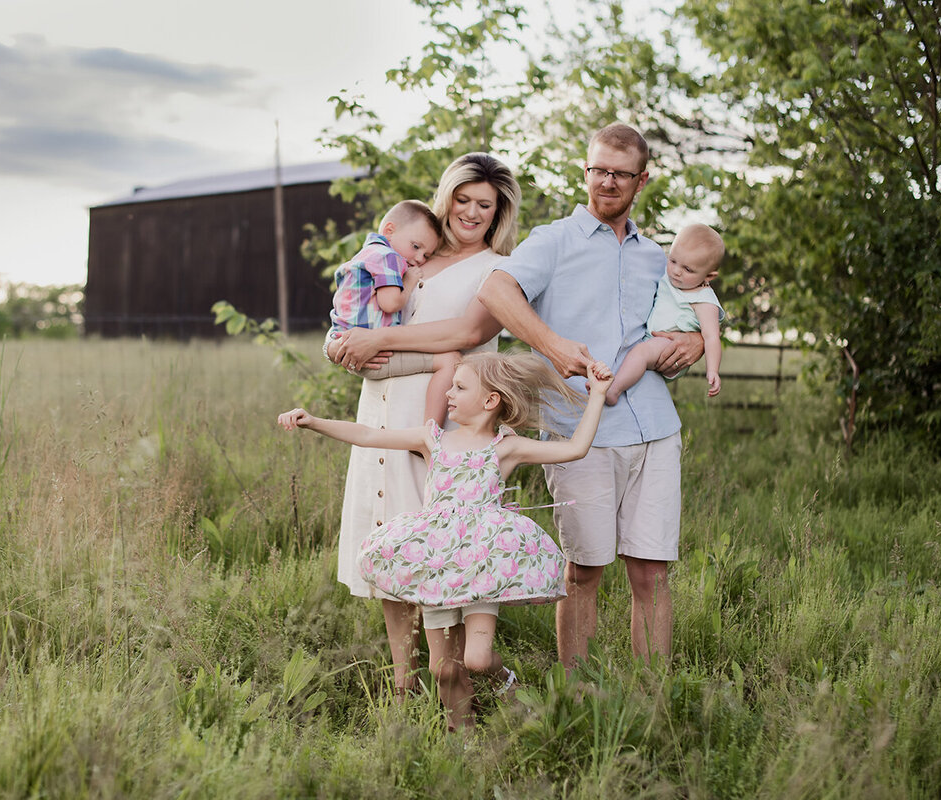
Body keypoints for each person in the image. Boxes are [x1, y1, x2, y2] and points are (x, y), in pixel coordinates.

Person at [277, 351, 615, 728]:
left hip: (482, 568)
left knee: (477, 659)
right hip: (434, 565)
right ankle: (463, 739)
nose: (448, 394)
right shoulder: (432, 439)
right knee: (444, 671)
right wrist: (313, 422)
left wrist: (598, 394)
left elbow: (574, 448)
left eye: (459, 387)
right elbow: (369, 435)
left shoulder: (505, 447)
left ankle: (511, 687)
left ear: (490, 401)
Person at [478, 123, 705, 669]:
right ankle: (577, 696)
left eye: (620, 173)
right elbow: (495, 289)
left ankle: (654, 700)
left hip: (655, 427)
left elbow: (692, 310)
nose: (606, 181)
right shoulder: (554, 241)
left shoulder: (659, 257)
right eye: (597, 169)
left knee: (651, 571)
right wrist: (552, 347)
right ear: (586, 171)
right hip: (579, 429)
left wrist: (696, 340)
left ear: (641, 180)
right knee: (585, 569)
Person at [327, 152, 523, 703]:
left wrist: (378, 342)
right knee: (390, 536)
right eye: (463, 199)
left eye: (484, 205)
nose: (471, 212)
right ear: (446, 198)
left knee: (440, 548)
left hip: (443, 420)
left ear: (498, 212)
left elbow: (463, 333)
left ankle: (454, 678)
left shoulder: (494, 269)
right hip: (384, 405)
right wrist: (349, 344)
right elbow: (363, 313)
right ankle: (402, 678)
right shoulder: (409, 254)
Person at [325, 200, 459, 425]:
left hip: (348, 348)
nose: (418, 258)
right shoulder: (388, 257)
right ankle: (429, 432)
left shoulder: (364, 256)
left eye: (426, 255)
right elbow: (390, 303)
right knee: (450, 361)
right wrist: (409, 280)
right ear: (389, 230)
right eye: (416, 247)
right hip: (372, 356)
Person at [605, 223, 725, 406]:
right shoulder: (668, 279)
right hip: (651, 338)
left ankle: (613, 390)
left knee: (640, 353)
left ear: (709, 276)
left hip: (671, 347)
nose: (676, 271)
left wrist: (713, 371)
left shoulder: (704, 300)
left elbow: (711, 337)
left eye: (688, 269)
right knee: (628, 350)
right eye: (673, 260)